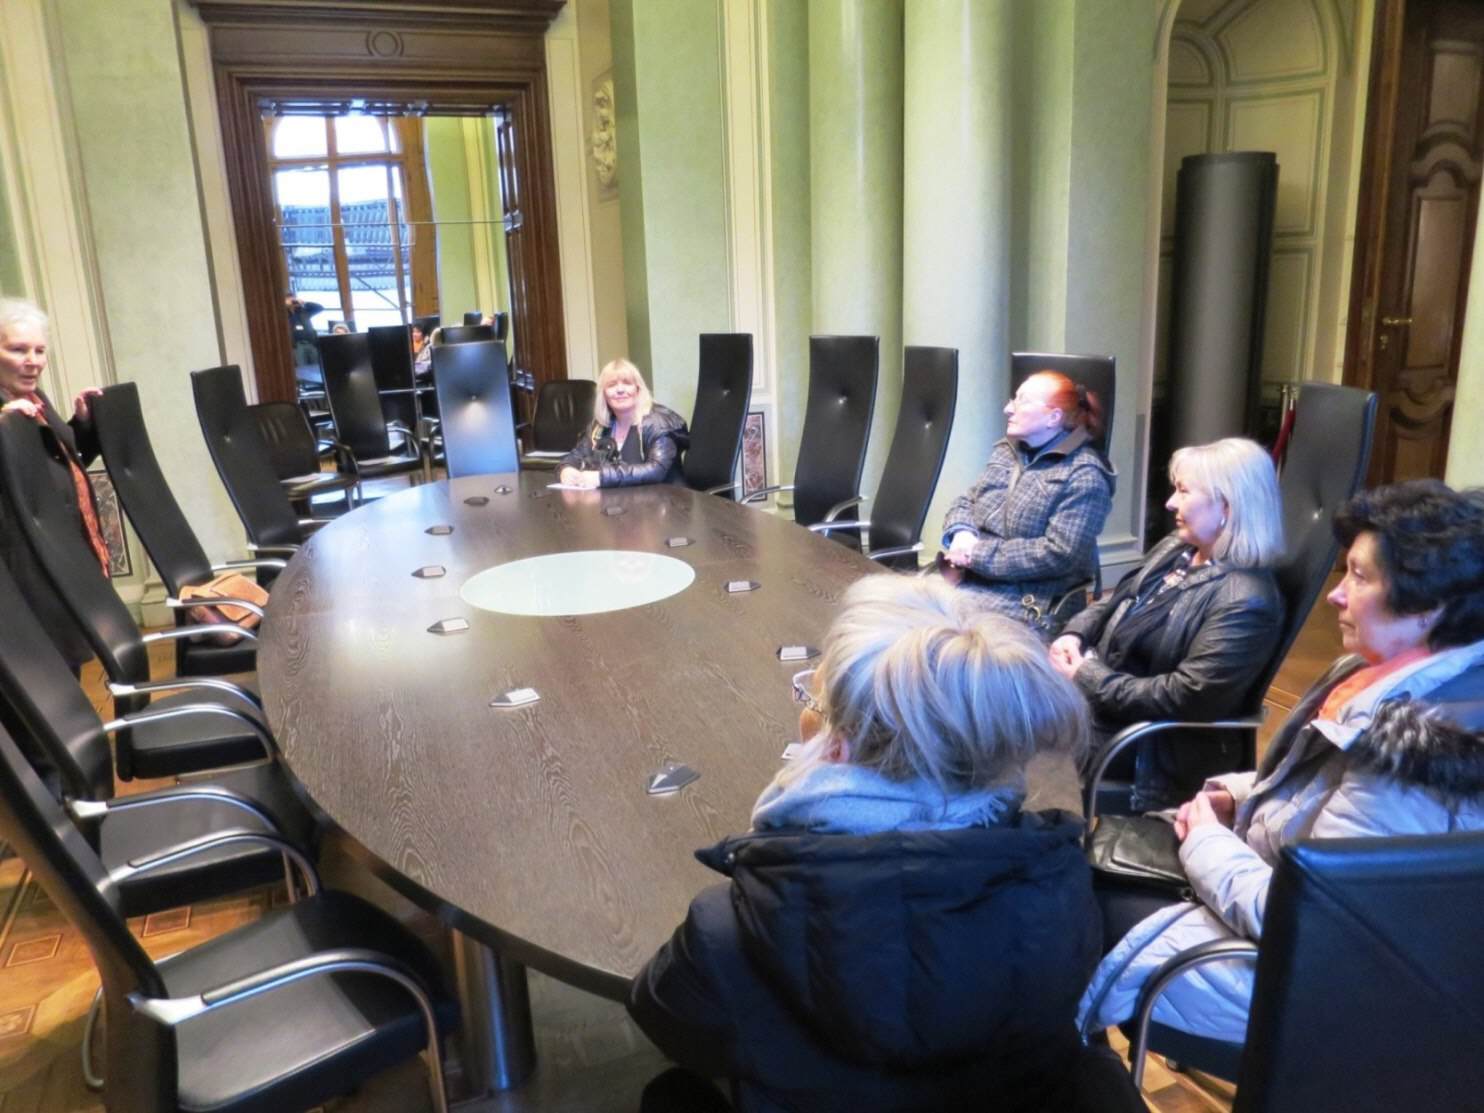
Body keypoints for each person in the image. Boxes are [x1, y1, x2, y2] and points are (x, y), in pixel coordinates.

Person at [627, 574, 1101, 1112]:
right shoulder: (1062, 885)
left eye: (814, 697)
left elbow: (661, 1019)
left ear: (838, 747)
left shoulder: (727, 929)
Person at [1079, 480, 1484, 1045]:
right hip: (1262, 892)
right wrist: (1237, 794)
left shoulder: (1416, 758)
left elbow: (1310, 923)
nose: (1335, 595)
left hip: (1302, 988)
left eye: (1359, 576)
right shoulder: (1371, 673)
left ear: (1429, 607)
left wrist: (1205, 839)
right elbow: (1317, 793)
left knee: (1063, 923)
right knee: (1063, 881)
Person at [1050, 438, 1285, 812]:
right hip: (1106, 708)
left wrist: (1088, 675)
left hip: (1149, 749)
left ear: (1226, 506)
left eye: (1184, 491)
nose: (1170, 503)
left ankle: (1021, 838)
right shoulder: (1179, 548)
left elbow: (1187, 696)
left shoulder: (1247, 599)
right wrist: (1074, 634)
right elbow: (1117, 599)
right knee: (994, 703)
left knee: (1011, 735)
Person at [939, 370, 1115, 623]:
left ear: (1053, 417)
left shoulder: (1085, 475)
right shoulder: (1007, 451)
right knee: (900, 611)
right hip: (973, 578)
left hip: (1030, 597)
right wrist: (961, 533)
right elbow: (968, 500)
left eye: (1022, 401)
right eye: (1014, 399)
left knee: (933, 630)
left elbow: (1058, 554)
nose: (1008, 408)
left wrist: (975, 555)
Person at [0, 297, 106, 671]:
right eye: (18, 349)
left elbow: (57, 466)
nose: (33, 360)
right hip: (20, 568)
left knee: (65, 666)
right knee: (39, 674)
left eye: (40, 350)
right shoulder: (8, 409)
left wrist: (82, 424)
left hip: (57, 554)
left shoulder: (33, 398)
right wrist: (4, 427)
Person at [558, 359, 688, 488]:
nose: (620, 390)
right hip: (622, 498)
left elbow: (656, 470)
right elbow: (575, 456)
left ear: (638, 389)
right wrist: (566, 469)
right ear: (603, 393)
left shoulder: (658, 423)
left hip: (666, 497)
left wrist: (601, 477)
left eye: (627, 383)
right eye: (612, 385)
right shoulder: (600, 426)